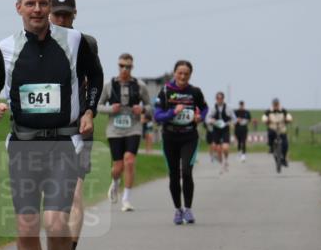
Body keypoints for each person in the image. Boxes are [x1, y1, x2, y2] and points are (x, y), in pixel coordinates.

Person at [0, 0, 102, 250]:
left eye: (43, 4)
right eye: (30, 4)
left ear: (50, 8)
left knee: (56, 221)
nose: (38, 10)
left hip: (62, 142)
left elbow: (95, 75)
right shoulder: (5, 49)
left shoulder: (75, 41)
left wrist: (89, 110)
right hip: (23, 146)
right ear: (18, 8)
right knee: (26, 227)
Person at [47, 0, 100, 250]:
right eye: (58, 15)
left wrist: (89, 111)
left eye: (67, 15)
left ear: (75, 15)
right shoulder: (34, 44)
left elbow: (95, 80)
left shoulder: (85, 43)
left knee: (76, 193)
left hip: (79, 130)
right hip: (43, 134)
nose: (62, 20)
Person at [153, 61, 208, 225]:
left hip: (189, 137)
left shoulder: (195, 92)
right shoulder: (165, 91)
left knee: (186, 172)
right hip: (170, 137)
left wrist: (201, 117)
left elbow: (204, 108)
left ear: (190, 75)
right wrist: (172, 112)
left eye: (186, 74)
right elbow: (157, 116)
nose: (183, 76)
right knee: (174, 174)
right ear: (174, 73)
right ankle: (178, 209)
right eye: (180, 73)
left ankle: (188, 209)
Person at [98, 53, 151, 212]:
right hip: (114, 130)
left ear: (132, 67)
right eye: (122, 66)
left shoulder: (140, 85)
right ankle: (115, 182)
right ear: (118, 66)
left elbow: (150, 107)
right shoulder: (109, 85)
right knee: (117, 166)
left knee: (129, 161)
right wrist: (110, 109)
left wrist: (141, 109)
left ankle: (126, 199)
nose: (124, 69)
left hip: (133, 128)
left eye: (128, 66)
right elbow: (98, 106)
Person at [205, 92, 235, 172]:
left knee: (225, 148)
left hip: (225, 129)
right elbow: (207, 119)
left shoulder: (228, 108)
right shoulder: (213, 108)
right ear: (216, 99)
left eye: (221, 98)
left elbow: (234, 119)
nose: (219, 100)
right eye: (218, 98)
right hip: (216, 130)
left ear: (223, 99)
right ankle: (222, 164)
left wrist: (230, 123)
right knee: (217, 148)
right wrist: (212, 120)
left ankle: (226, 160)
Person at [263, 99, 293, 166]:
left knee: (285, 144)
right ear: (273, 104)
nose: (276, 105)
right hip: (273, 128)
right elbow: (264, 117)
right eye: (275, 104)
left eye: (277, 104)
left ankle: (284, 159)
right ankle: (271, 147)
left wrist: (288, 119)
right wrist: (266, 120)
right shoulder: (269, 111)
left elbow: (289, 116)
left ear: (279, 104)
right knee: (270, 133)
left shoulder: (283, 110)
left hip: (282, 129)